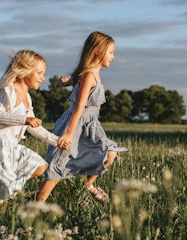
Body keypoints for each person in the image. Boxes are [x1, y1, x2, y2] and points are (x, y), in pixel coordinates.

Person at [36, 31, 127, 202]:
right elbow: (79, 106)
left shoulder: (90, 74)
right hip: (75, 124)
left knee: (110, 154)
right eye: (111, 52)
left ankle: (88, 185)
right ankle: (37, 204)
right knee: (58, 165)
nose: (113, 57)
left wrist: (68, 82)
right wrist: (69, 133)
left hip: (90, 124)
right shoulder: (88, 76)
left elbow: (76, 79)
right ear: (97, 52)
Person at [0, 50, 67, 213]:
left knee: (39, 166)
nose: (43, 78)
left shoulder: (27, 97)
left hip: (8, 146)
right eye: (39, 73)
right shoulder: (8, 91)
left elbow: (35, 128)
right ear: (25, 70)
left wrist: (57, 141)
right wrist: (24, 120)